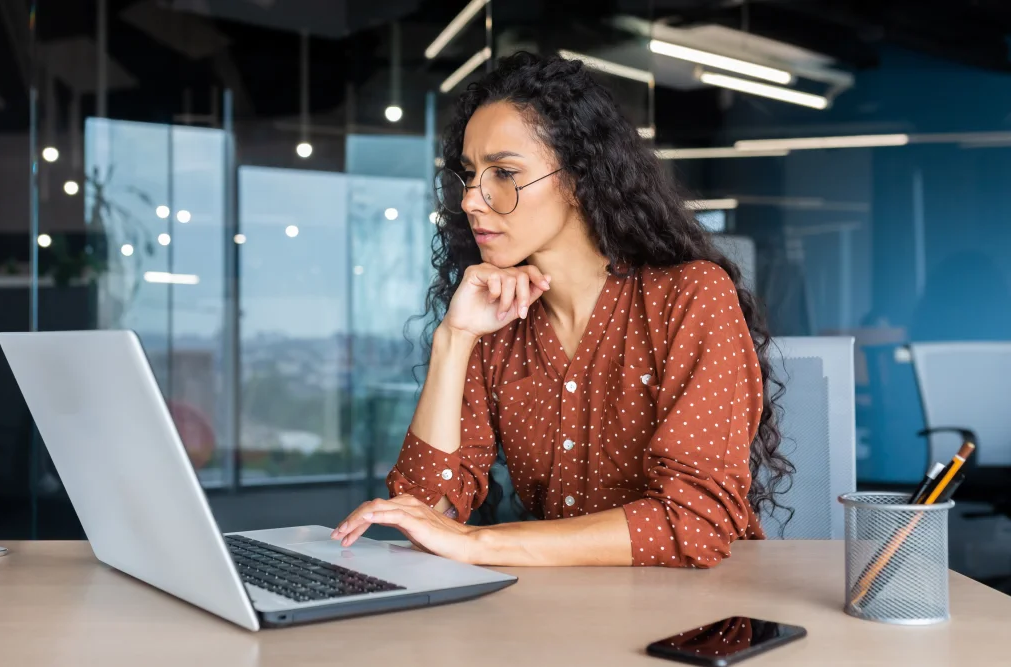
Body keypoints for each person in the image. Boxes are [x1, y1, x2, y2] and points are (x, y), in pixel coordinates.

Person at [332, 52, 791, 568]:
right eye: (469, 175)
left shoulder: (690, 296)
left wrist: (481, 543)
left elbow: (694, 521)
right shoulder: (496, 322)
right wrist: (454, 339)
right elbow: (423, 512)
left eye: (504, 172)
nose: (471, 201)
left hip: (693, 619)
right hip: (557, 614)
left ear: (577, 177)